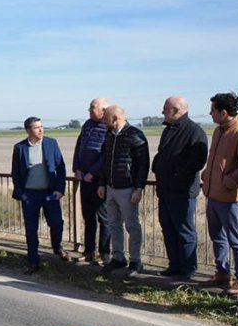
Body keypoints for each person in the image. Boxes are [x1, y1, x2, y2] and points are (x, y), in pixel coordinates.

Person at [152, 95, 208, 280]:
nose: (163, 113)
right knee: (168, 229)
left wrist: (176, 178)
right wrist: (157, 167)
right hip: (165, 190)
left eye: (165, 110)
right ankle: (174, 265)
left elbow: (197, 161)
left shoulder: (194, 131)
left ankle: (188, 269)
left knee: (184, 231)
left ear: (175, 110)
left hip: (182, 192)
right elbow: (162, 154)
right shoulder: (168, 130)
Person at [200, 93, 238, 294]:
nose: (210, 114)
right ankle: (222, 272)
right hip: (213, 193)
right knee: (217, 236)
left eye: (212, 110)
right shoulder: (218, 131)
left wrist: (230, 181)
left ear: (223, 112)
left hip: (231, 197)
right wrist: (207, 174)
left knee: (235, 238)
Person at [11, 117, 70, 273]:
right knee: (31, 229)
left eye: (42, 126)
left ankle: (57, 247)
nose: (41, 130)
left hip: (50, 193)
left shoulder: (51, 143)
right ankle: (33, 262)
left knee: (56, 223)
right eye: (36, 127)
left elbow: (61, 167)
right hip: (30, 195)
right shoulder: (20, 148)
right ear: (28, 130)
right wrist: (21, 193)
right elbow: (15, 173)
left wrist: (60, 189)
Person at [97, 106, 149, 277]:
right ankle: (118, 257)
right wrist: (102, 183)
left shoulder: (134, 135)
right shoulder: (109, 135)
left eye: (106, 118)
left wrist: (138, 188)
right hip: (110, 187)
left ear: (115, 118)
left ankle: (135, 261)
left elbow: (143, 164)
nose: (103, 121)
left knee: (132, 226)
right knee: (114, 224)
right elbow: (105, 161)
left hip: (128, 188)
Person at [72, 98, 111, 265]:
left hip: (99, 180)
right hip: (84, 178)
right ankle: (89, 251)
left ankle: (104, 254)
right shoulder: (87, 125)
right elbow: (79, 146)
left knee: (104, 218)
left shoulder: (108, 125)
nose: (89, 110)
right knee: (88, 217)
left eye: (92, 107)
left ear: (103, 110)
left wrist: (93, 172)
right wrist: (76, 168)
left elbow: (105, 153)